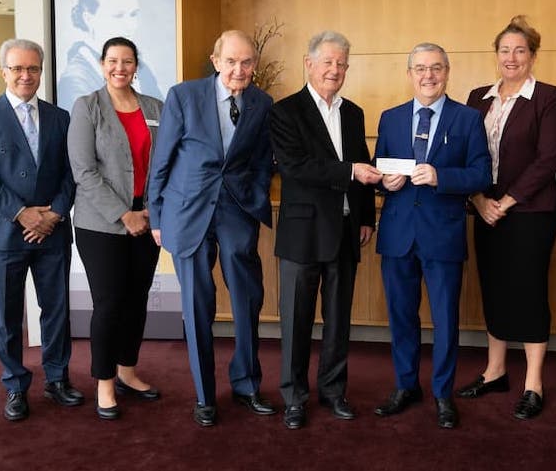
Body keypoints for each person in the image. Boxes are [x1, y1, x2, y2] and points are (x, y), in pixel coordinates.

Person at [147, 30, 275, 427]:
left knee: (247, 301)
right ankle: (205, 396)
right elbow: (162, 158)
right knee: (197, 307)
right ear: (215, 60)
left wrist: (254, 199)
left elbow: (261, 161)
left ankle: (247, 385)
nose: (239, 69)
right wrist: (156, 216)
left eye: (247, 62)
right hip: (188, 215)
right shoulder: (183, 96)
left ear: (254, 66)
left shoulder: (262, 103)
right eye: (231, 61)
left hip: (238, 212)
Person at [372, 42, 491, 429]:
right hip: (398, 235)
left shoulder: (468, 119)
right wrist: (384, 183)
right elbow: (380, 173)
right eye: (421, 68)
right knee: (402, 317)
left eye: (436, 68)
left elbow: (481, 174)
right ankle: (406, 385)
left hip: (442, 235)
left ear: (447, 72)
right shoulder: (389, 119)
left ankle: (442, 392)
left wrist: (443, 177)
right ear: (409, 74)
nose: (429, 76)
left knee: (444, 320)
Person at [0, 38, 82, 421]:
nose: (25, 75)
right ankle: (15, 384)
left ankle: (57, 378)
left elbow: (71, 173)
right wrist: (21, 214)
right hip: (2, 235)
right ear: (3, 72)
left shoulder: (60, 117)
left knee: (57, 310)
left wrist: (54, 215)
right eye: (17, 68)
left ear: (41, 72)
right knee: (7, 314)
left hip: (52, 232)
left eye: (32, 68)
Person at [456, 16, 556, 420]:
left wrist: (505, 201)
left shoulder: (547, 97)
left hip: (530, 213)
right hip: (485, 210)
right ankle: (495, 370)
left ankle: (534, 382)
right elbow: (465, 155)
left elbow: (549, 158)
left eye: (520, 50)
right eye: (505, 50)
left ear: (533, 55)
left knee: (528, 289)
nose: (512, 57)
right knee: (495, 287)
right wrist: (480, 199)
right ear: (496, 54)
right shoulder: (477, 98)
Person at [270, 31, 381, 430]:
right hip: (303, 234)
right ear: (309, 63)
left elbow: (363, 162)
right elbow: (296, 167)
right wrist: (351, 172)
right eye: (328, 62)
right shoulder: (285, 111)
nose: (335, 70)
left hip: (347, 230)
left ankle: (334, 391)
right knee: (296, 321)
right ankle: (294, 396)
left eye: (342, 64)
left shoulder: (353, 112)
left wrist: (367, 216)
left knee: (338, 321)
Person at [67, 37, 163, 420]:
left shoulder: (156, 107)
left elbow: (164, 164)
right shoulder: (87, 107)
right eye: (112, 61)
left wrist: (149, 213)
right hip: (101, 224)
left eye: (127, 61)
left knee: (137, 300)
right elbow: (83, 172)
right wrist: (125, 214)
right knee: (109, 303)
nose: (119, 67)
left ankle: (127, 371)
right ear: (101, 64)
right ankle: (104, 383)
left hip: (148, 220)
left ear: (137, 65)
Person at [57, 0, 162, 111]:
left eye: (133, 14)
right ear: (88, 19)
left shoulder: (143, 71)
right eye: (118, 16)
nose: (130, 25)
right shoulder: (75, 79)